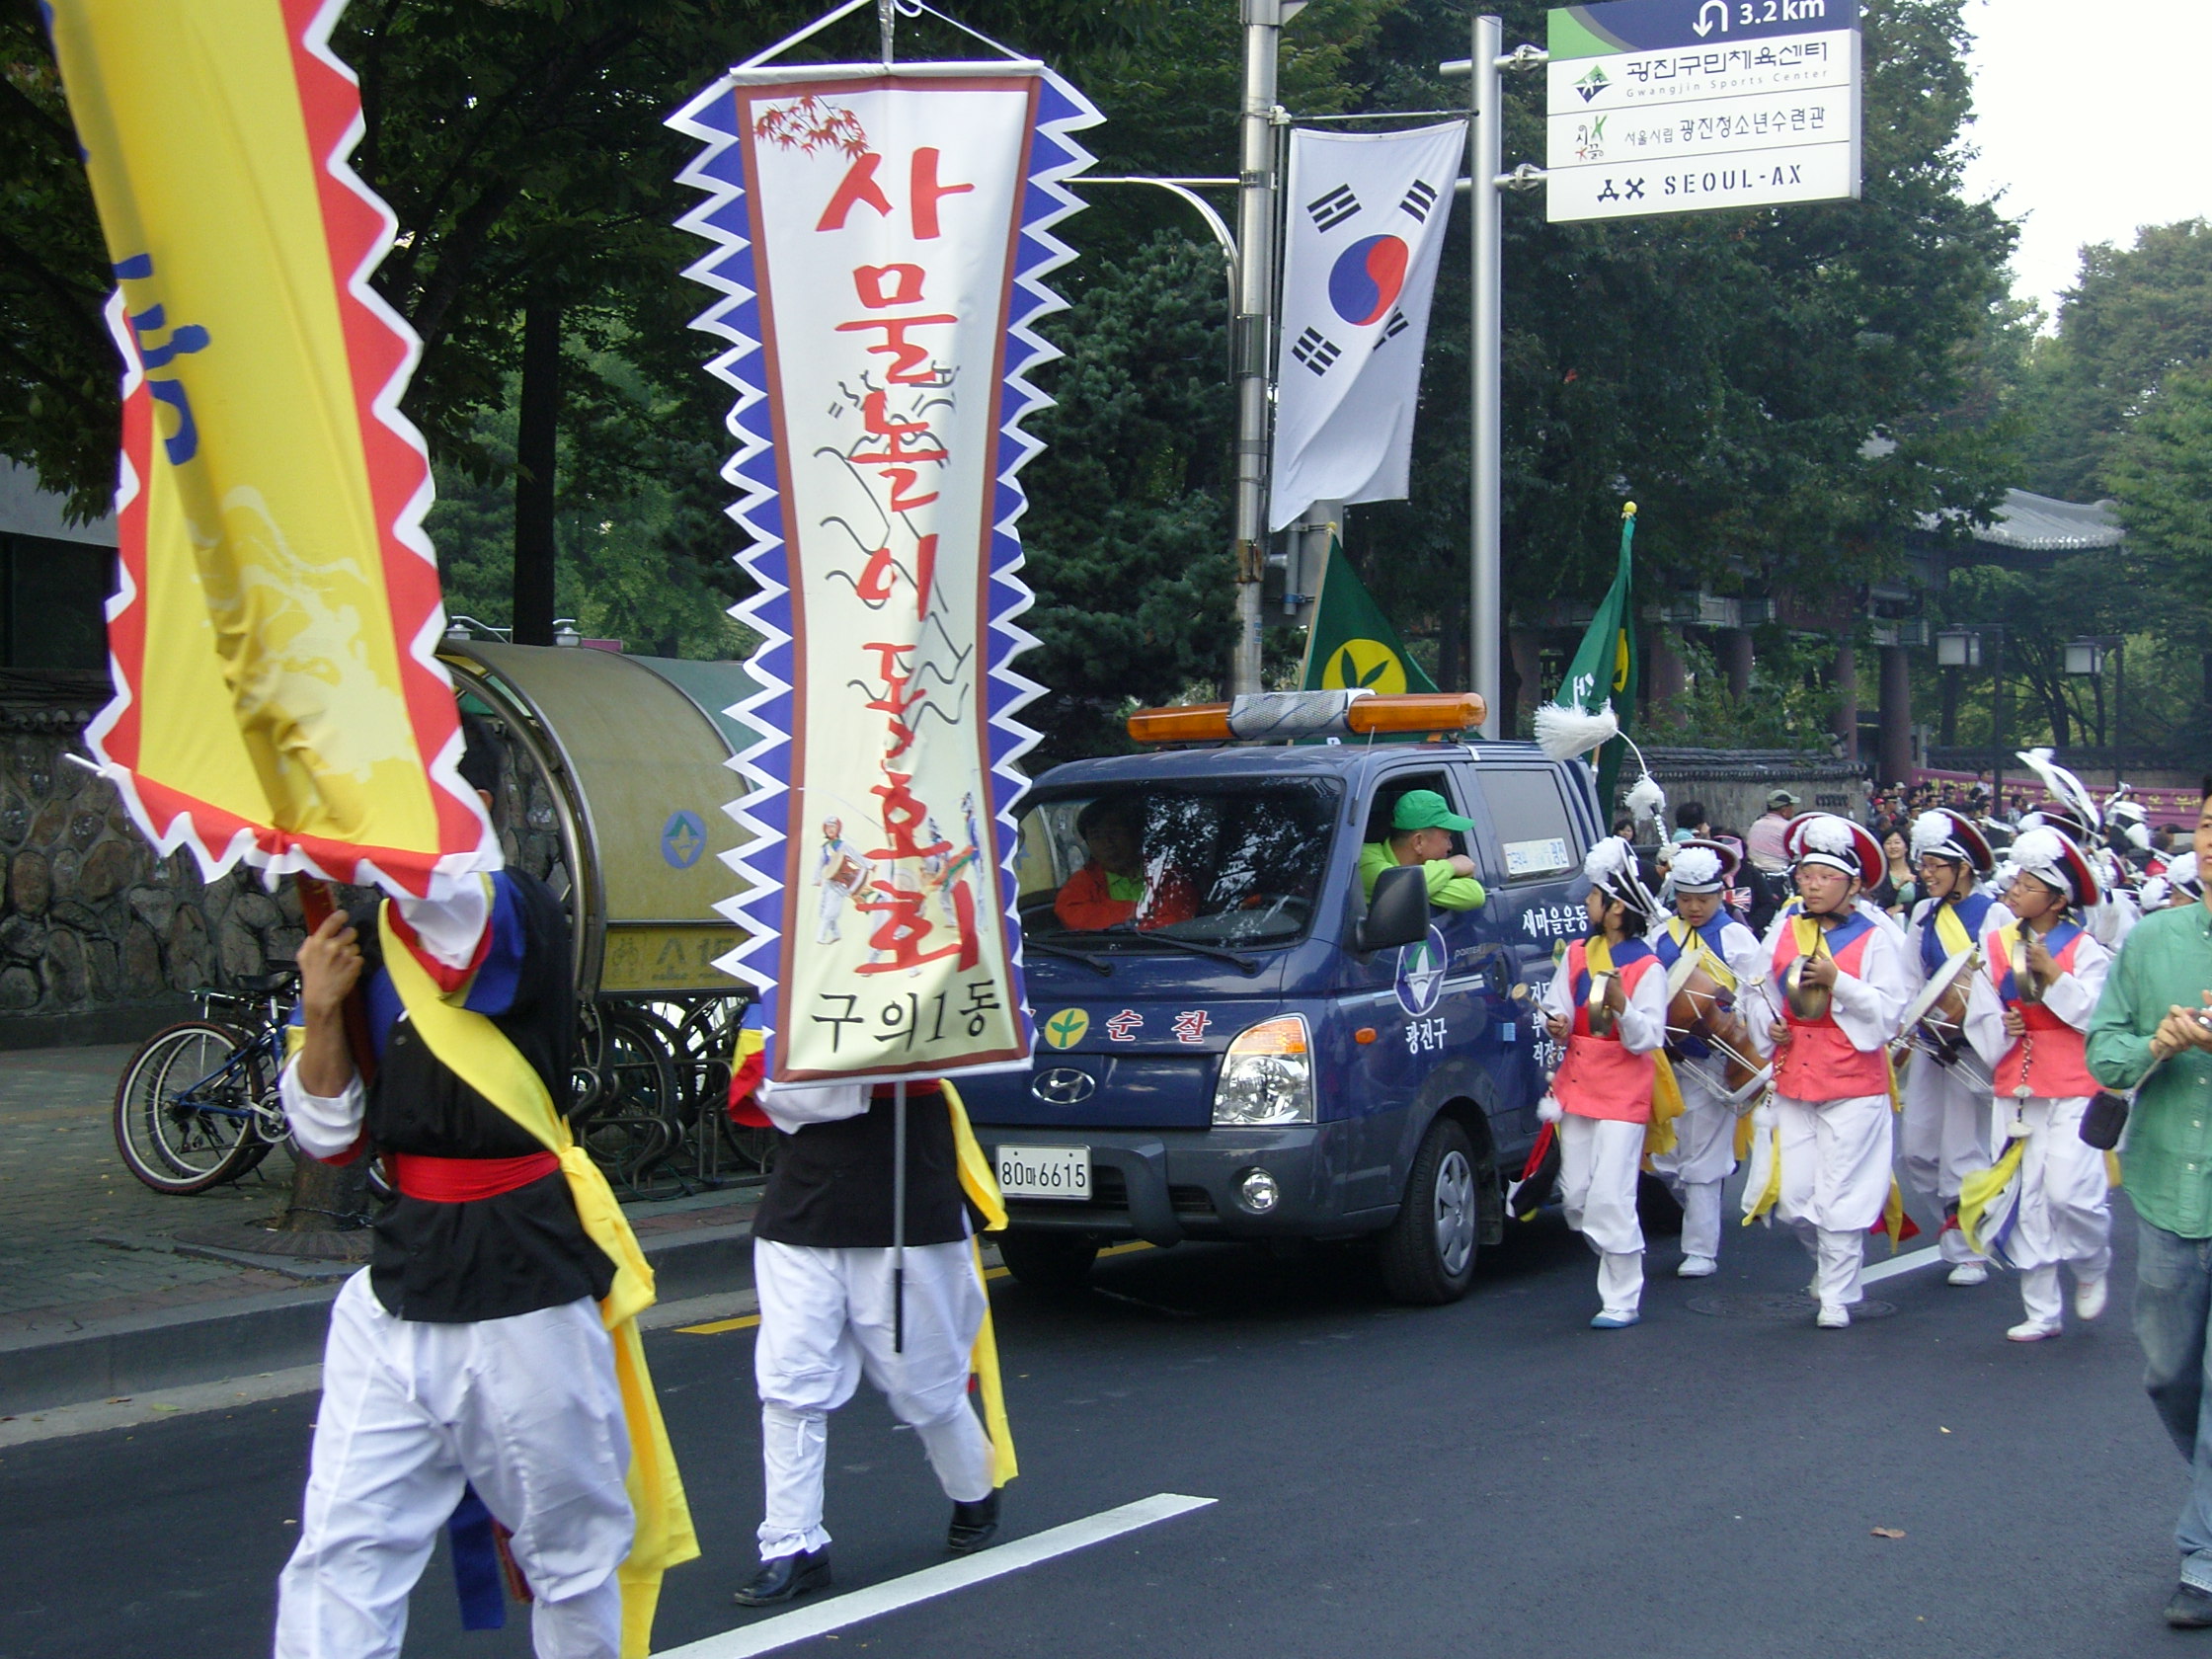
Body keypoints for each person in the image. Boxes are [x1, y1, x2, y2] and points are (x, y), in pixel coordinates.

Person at [274, 737, 694, 1658]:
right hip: (400, 1277)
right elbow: (330, 1134)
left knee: (572, 1554)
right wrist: (320, 1008)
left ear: (479, 800)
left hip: (526, 1275)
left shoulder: (506, 910)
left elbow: (442, 887)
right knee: (341, 1549)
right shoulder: (368, 942)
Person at [734, 1071, 1014, 1607]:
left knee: (925, 1386)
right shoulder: (777, 987)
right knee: (791, 1381)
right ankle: (791, 1543)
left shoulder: (937, 984)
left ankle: (973, 1486)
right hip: (804, 1198)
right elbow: (769, 1089)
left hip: (910, 1189)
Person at [2085, 782, 2212, 1629]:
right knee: (2170, 1374)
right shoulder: (2154, 937)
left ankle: (2202, 1556)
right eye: (2209, 825)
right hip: (2169, 1185)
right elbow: (2104, 1049)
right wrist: (2153, 1043)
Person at [1746, 813, 1909, 1329]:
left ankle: (1837, 1291)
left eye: (1824, 876)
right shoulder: (1785, 928)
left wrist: (1841, 983)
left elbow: (1890, 1015)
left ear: (1853, 884)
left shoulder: (1878, 937)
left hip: (1853, 1079)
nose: (1811, 884)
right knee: (1796, 1198)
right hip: (1795, 1074)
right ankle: (1833, 1269)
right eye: (1805, 875)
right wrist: (1767, 1025)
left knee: (1840, 1191)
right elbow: (1759, 991)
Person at [1960, 827, 2111, 1342]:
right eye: (2016, 881)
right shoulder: (1997, 943)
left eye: (2028, 884)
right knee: (2026, 1197)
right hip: (2017, 1084)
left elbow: (2098, 1017)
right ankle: (2041, 1309)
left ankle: (2092, 1260)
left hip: (2073, 1084)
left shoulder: (2086, 948)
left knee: (2070, 1192)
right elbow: (1982, 1012)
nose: (2015, 890)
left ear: (2058, 897)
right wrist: (2003, 1027)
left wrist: (2055, 979)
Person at [1540, 837, 1668, 1328]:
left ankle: (1621, 1295)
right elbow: (1561, 1007)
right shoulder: (1576, 952)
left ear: (1616, 908)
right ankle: (1614, 1248)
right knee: (1576, 1196)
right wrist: (1556, 1022)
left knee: (1611, 1196)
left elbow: (1647, 1038)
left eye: (1594, 896)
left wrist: (1622, 1005)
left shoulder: (1646, 966)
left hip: (1622, 1092)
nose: (1586, 903)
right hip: (1576, 1085)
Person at [1897, 808, 2013, 1286]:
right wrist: (1907, 1027)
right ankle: (1960, 1216)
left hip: (1972, 1046)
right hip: (1931, 1042)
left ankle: (1969, 1248)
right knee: (1918, 1149)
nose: (1925, 874)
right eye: (1922, 865)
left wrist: (1975, 1024)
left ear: (1964, 867)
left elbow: (2003, 980)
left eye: (1934, 866)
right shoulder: (1924, 913)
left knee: (1962, 1149)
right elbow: (1909, 980)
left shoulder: (1995, 913)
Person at [1648, 838, 1768, 1278]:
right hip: (1669, 1057)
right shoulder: (1660, 934)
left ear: (1720, 895)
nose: (1694, 907)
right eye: (1684, 899)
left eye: (1702, 899)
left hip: (1716, 1057)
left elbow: (1757, 992)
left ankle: (1700, 1249)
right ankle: (1705, 1201)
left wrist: (1737, 1027)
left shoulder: (1736, 936)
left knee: (1700, 1157)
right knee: (1666, 1160)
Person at [1053, 797, 1197, 931]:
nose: (1107, 843)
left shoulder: (1169, 876)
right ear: (1088, 844)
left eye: (1114, 832)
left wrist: (1110, 915)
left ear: (1135, 835)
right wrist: (1137, 911)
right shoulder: (1083, 881)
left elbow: (1176, 921)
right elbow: (1071, 915)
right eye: (1096, 836)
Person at [1359, 789, 1488, 911]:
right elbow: (1397, 889)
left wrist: (1425, 885)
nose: (1450, 847)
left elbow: (1474, 895)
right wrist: (1451, 866)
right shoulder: (1363, 858)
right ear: (1418, 842)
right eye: (1447, 838)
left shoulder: (1431, 871)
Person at [814, 816, 871, 944]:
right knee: (823, 909)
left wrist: (870, 865)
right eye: (828, 827)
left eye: (833, 827)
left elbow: (856, 855)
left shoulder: (842, 845)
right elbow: (820, 864)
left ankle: (820, 937)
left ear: (838, 828)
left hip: (841, 882)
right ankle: (836, 934)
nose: (830, 830)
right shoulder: (825, 847)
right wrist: (817, 878)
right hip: (829, 879)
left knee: (830, 911)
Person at [1743, 788, 1799, 875]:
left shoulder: (1756, 824)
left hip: (1755, 872)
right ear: (1784, 810)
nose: (1793, 810)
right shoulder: (1787, 827)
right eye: (1791, 807)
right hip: (1779, 873)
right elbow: (1797, 853)